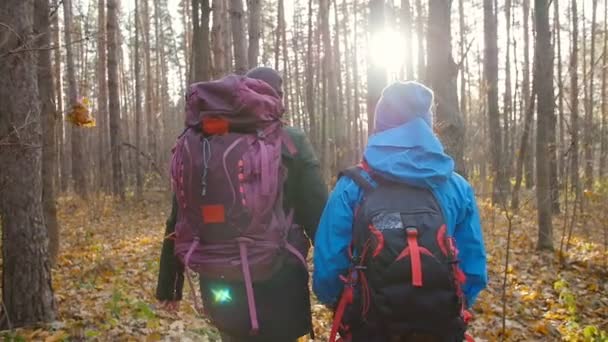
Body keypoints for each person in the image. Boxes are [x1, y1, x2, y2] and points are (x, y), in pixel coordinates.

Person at [156, 67, 328, 342]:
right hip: (279, 281)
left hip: (220, 280)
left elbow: (179, 217)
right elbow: (320, 216)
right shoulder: (290, 141)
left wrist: (170, 285)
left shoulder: (204, 142)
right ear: (276, 98)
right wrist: (337, 281)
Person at [313, 81, 487, 342]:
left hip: (369, 328)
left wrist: (343, 307)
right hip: (440, 328)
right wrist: (455, 304)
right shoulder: (456, 186)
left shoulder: (352, 186)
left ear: (380, 124)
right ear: (427, 124)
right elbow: (474, 267)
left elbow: (328, 267)